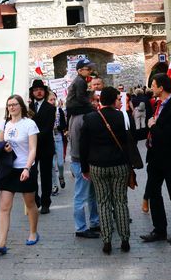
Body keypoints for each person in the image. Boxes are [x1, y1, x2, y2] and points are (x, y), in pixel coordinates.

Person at [79, 87, 132, 255]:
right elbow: (127, 141)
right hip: (119, 164)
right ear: (113, 100)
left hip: (98, 165)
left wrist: (84, 168)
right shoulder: (121, 116)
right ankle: (124, 239)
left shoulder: (90, 118)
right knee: (120, 201)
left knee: (103, 202)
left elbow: (83, 145)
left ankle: (107, 240)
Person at [0, 95, 39, 254]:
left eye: (14, 104)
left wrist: (27, 168)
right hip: (8, 169)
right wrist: (5, 148)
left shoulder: (29, 124)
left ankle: (33, 232)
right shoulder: (5, 124)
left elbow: (33, 149)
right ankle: (2, 243)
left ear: (21, 106)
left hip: (25, 168)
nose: (11, 107)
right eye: (9, 105)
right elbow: (0, 145)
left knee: (30, 203)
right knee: (4, 207)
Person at [140, 73, 171, 243]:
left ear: (161, 88)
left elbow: (169, 136)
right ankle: (159, 229)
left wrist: (152, 127)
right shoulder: (158, 104)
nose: (151, 88)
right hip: (155, 157)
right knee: (154, 193)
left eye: (153, 85)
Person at [66, 58, 101, 239]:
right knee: (81, 196)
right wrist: (92, 108)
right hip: (82, 162)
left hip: (85, 162)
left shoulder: (78, 115)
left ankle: (95, 222)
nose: (89, 72)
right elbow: (80, 143)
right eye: (87, 69)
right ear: (80, 70)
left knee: (92, 195)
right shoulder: (81, 116)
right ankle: (81, 228)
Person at [29, 79, 56, 214]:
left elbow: (47, 128)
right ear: (32, 92)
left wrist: (33, 137)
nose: (38, 92)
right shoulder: (28, 108)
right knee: (32, 174)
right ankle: (35, 199)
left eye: (40, 89)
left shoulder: (50, 108)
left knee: (46, 176)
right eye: (35, 90)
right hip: (31, 148)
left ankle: (46, 202)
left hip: (45, 146)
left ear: (44, 92)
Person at [48, 92, 66, 195]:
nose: (53, 101)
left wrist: (58, 128)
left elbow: (64, 124)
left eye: (54, 99)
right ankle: (54, 185)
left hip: (58, 137)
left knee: (60, 163)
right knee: (51, 164)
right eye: (50, 99)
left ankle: (61, 176)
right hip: (48, 139)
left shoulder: (59, 111)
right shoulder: (45, 111)